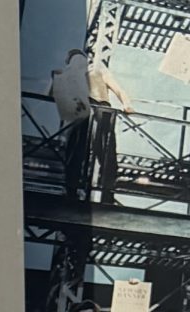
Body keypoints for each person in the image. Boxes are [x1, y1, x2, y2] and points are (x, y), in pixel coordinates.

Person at [50, 46, 130, 204]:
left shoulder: (72, 72)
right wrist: (127, 104)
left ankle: (74, 190)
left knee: (80, 151)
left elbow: (50, 93)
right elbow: (119, 90)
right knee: (102, 152)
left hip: (89, 110)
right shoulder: (93, 70)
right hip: (97, 110)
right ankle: (105, 192)